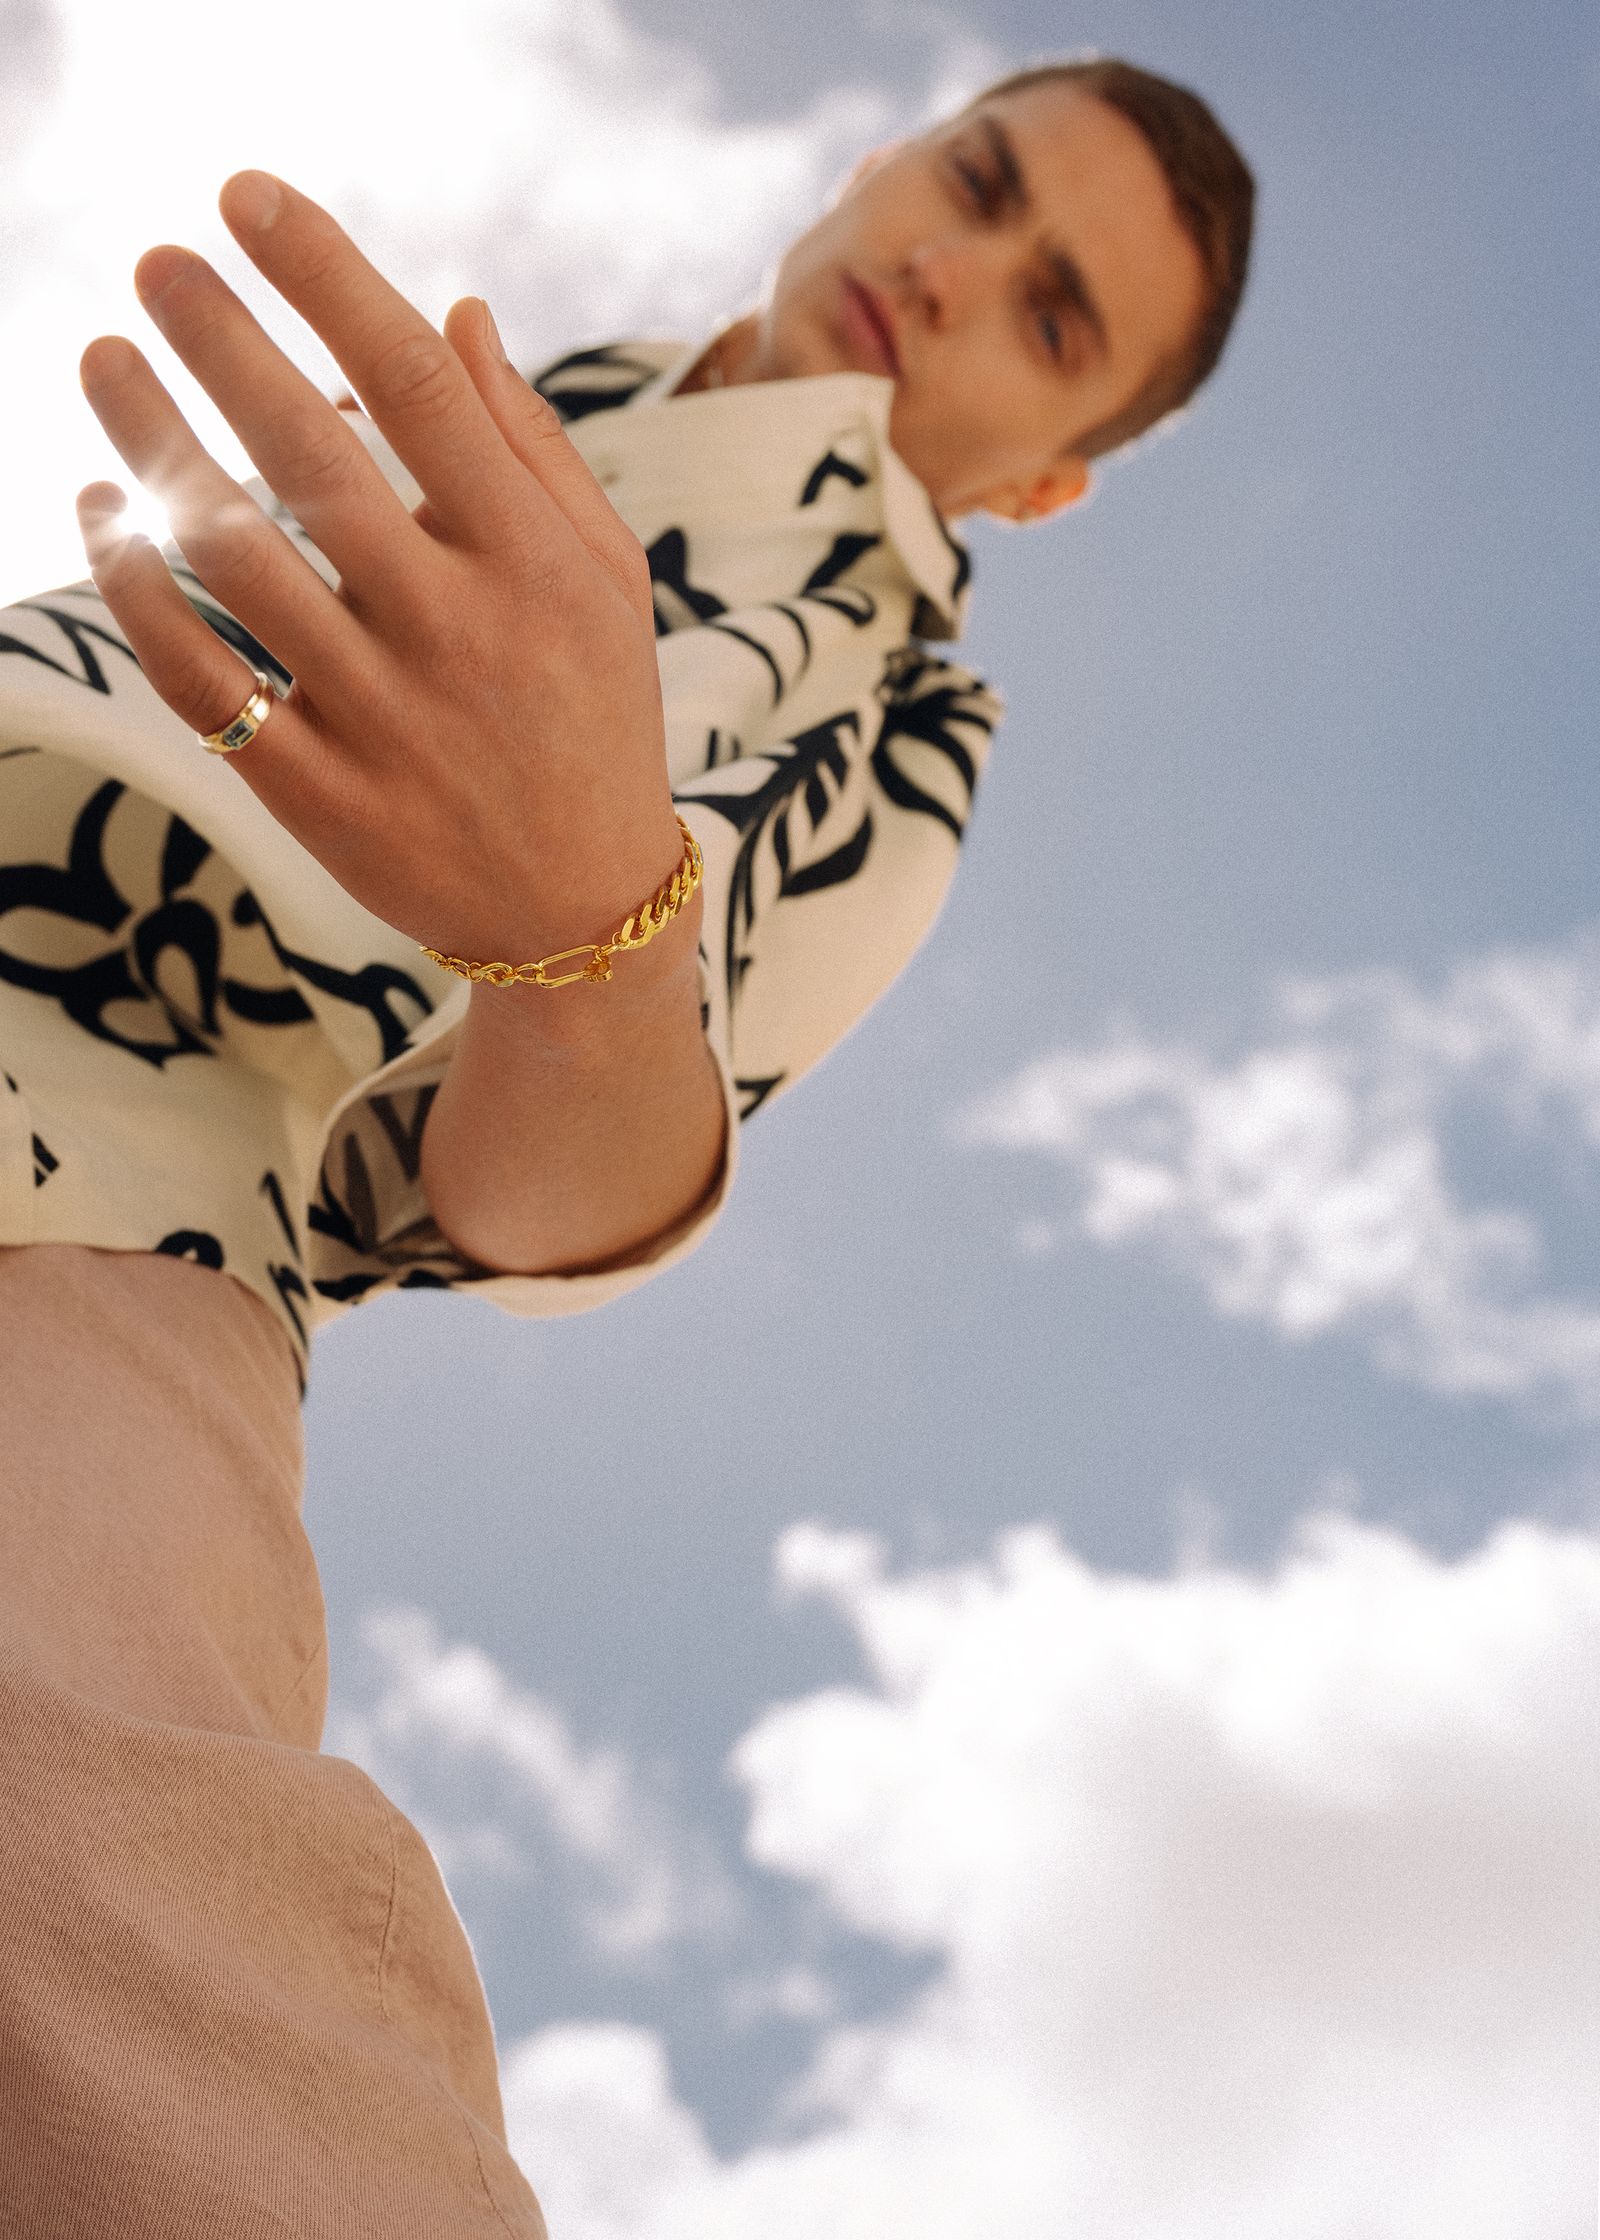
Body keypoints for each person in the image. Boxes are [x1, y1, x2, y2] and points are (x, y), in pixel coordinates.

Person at [0, 53, 1254, 2236]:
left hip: (106, 1194)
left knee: (134, 1983)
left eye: (1050, 317)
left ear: (1050, 482)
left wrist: (588, 931)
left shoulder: (896, 728)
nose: (953, 277)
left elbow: (544, 1201)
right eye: (972, 186)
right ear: (883, 157)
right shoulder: (528, 411)